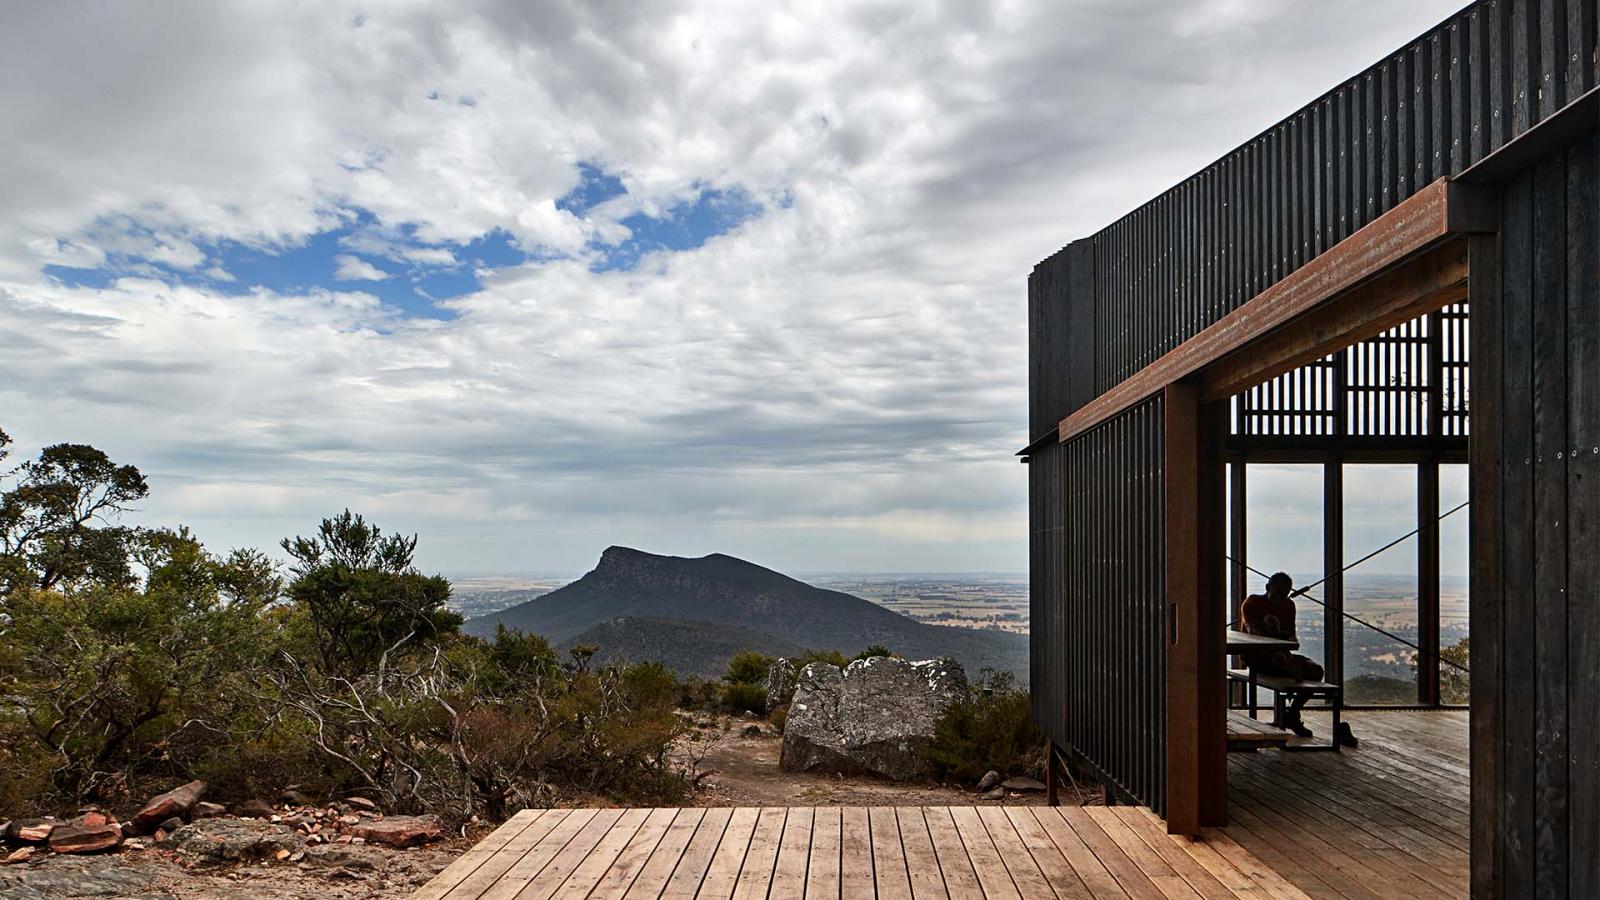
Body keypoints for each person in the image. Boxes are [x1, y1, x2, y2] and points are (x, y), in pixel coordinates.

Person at [1241, 572, 1323, 738]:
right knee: (1271, 620)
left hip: (1283, 657)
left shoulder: (1289, 605)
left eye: (1285, 594)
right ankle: (1292, 716)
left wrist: (1286, 645)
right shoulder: (1252, 603)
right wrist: (1281, 643)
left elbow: (1292, 636)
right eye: (1278, 594)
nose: (1281, 598)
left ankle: (1292, 714)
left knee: (1317, 672)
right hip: (1258, 657)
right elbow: (1254, 633)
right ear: (1267, 588)